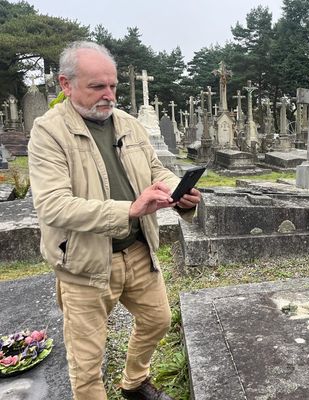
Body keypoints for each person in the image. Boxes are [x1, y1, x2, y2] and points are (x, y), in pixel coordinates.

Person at [28, 41, 201, 400]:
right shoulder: (48, 133)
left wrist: (177, 192)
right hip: (84, 262)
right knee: (87, 361)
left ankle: (135, 382)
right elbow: (53, 206)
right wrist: (128, 210)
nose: (108, 95)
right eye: (97, 87)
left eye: (112, 86)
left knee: (157, 321)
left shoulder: (128, 124)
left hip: (137, 250)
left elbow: (156, 170)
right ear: (66, 84)